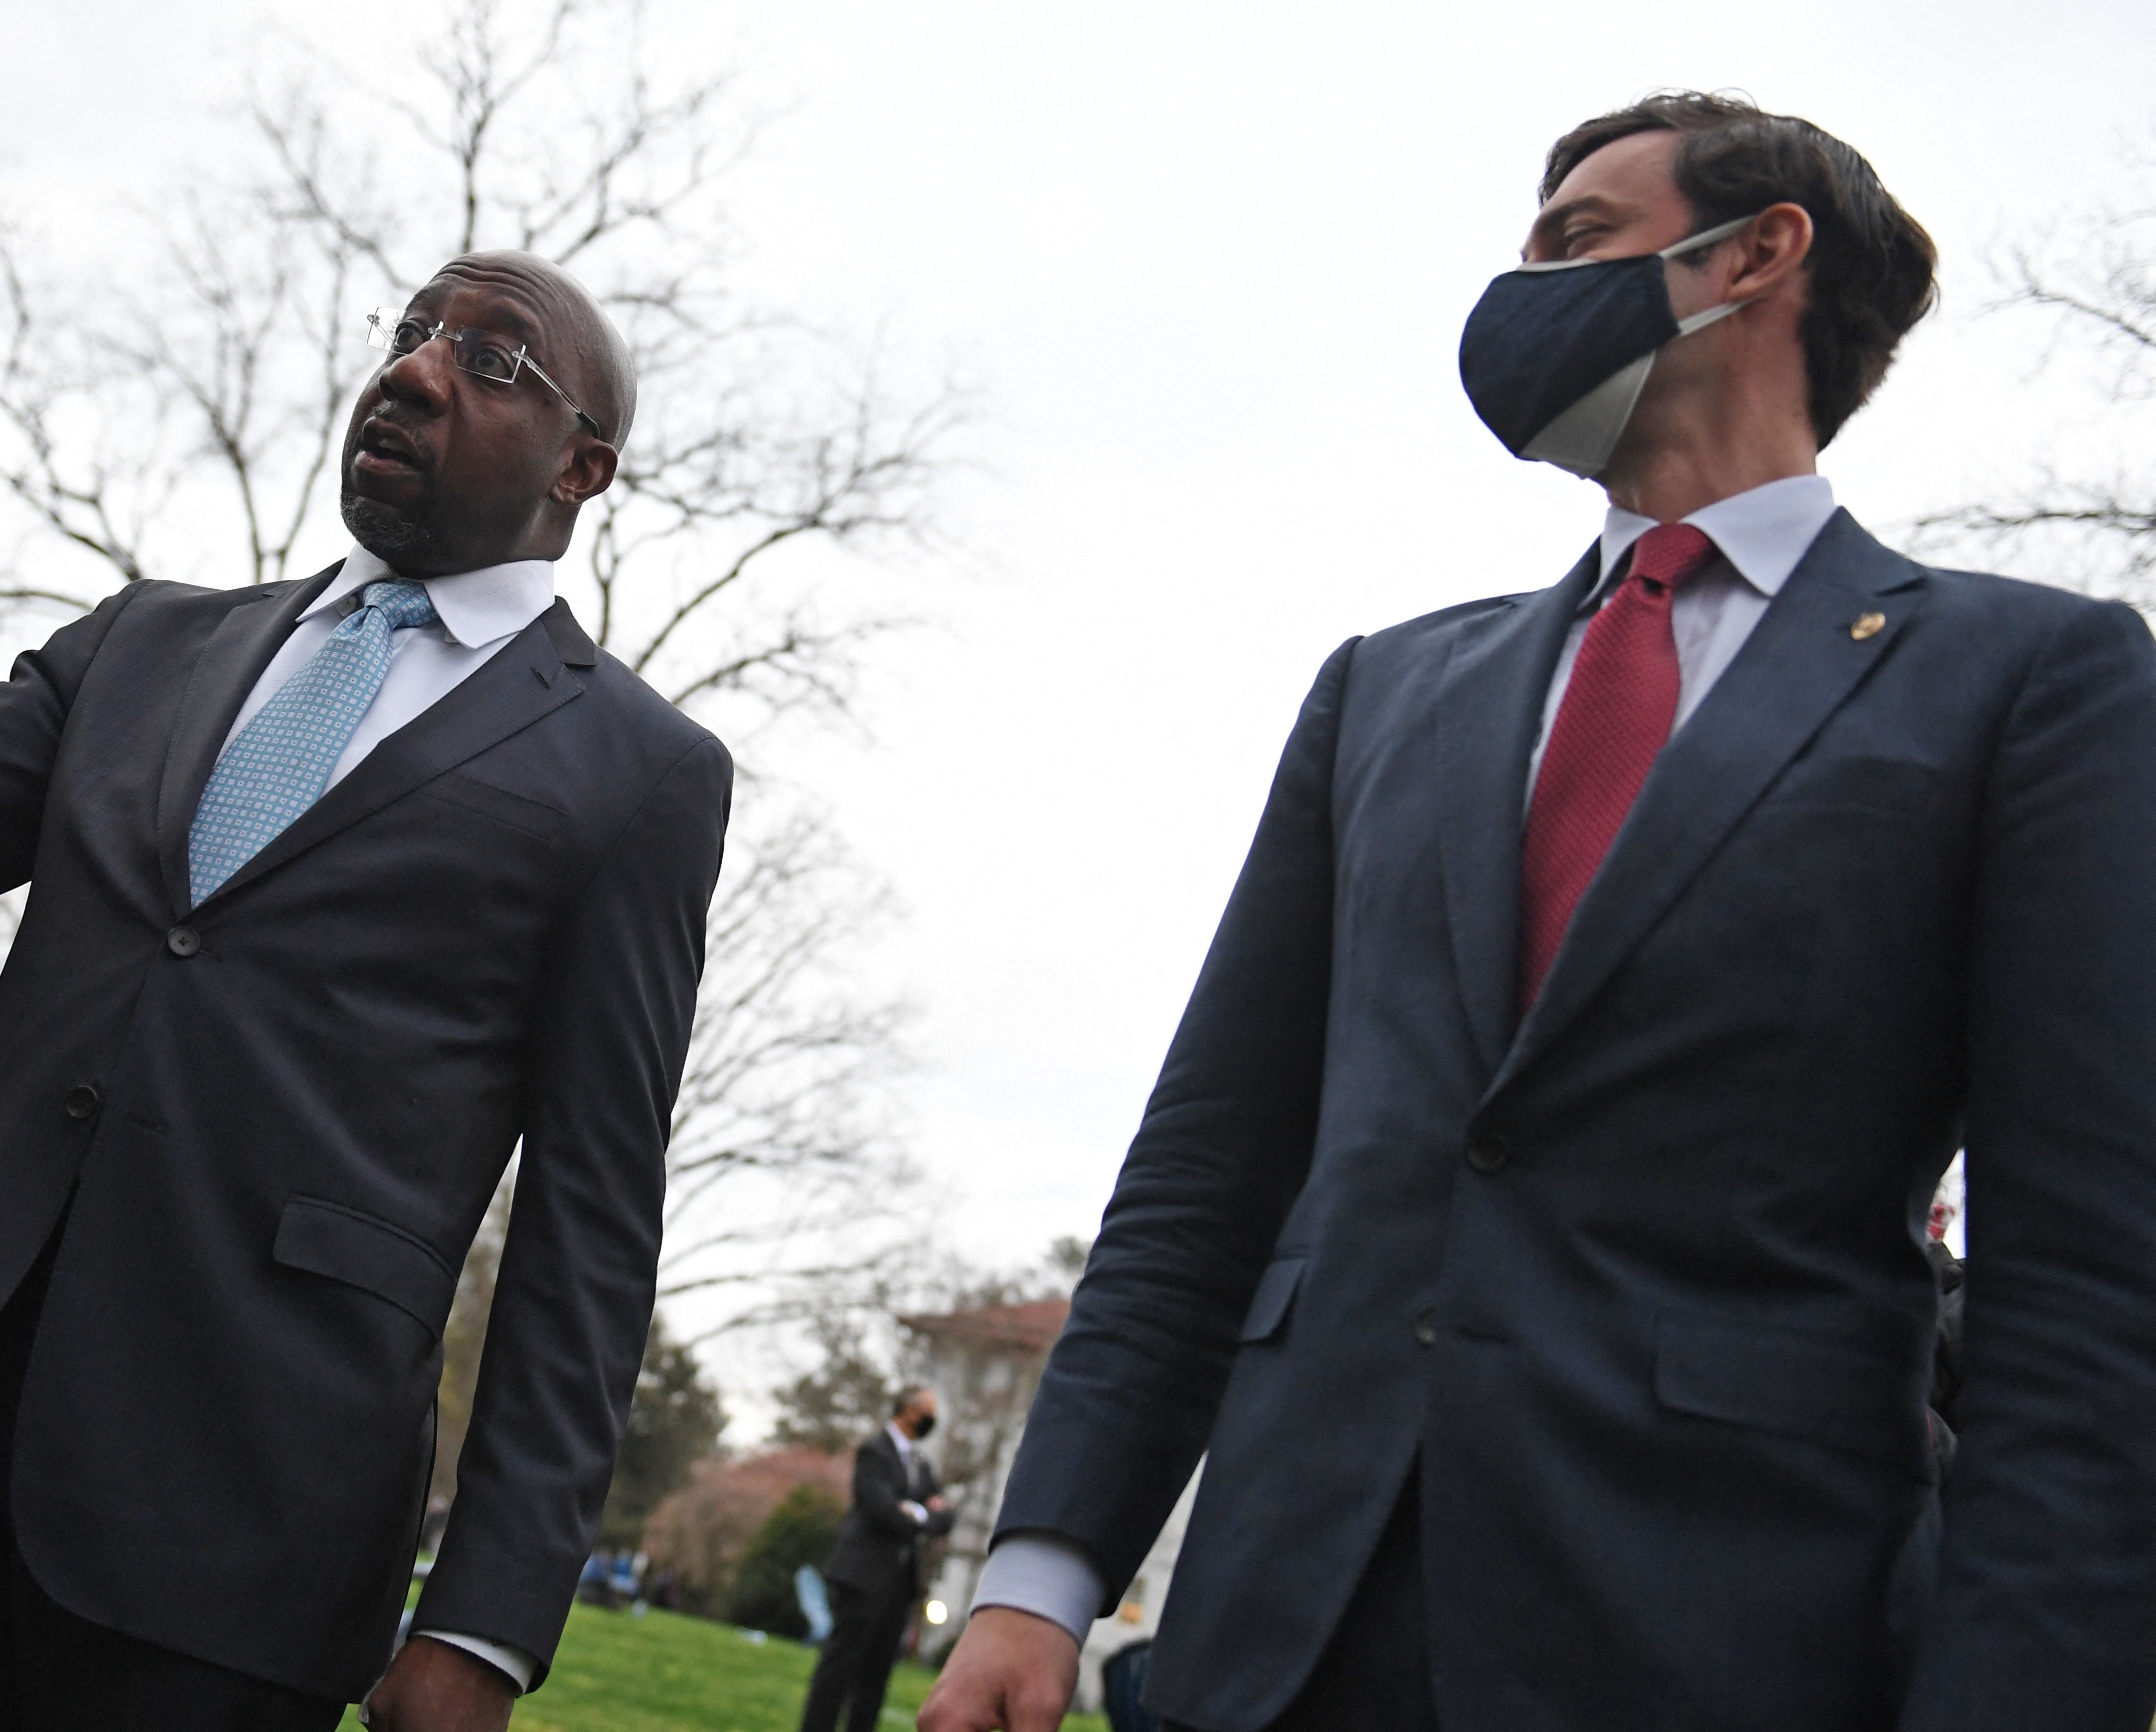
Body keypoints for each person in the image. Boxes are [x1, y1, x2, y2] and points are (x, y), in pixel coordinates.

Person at [924, 92, 2156, 1732]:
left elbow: (2082, 1284)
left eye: (1578, 240)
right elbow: (1211, 1166)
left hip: (1718, 1640)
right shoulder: (1384, 692)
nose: (1523, 290)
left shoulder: (2029, 686)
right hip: (1279, 1639)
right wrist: (1042, 1576)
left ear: (1756, 257)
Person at [0, 250, 729, 1731]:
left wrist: (485, 1618)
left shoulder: (635, 776)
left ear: (582, 467)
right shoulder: (148, 643)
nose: (410, 370)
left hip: (240, 1545)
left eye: (491, 361)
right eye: (408, 334)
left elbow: (590, 1222)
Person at [799, 1387, 954, 1732]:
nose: (933, 1418)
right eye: (928, 1410)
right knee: (840, 1665)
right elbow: (881, 1510)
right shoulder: (875, 1452)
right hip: (862, 1576)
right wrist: (923, 1513)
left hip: (899, 1583)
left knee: (878, 1672)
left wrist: (912, 1512)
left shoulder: (920, 1464)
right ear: (909, 1411)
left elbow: (946, 1518)